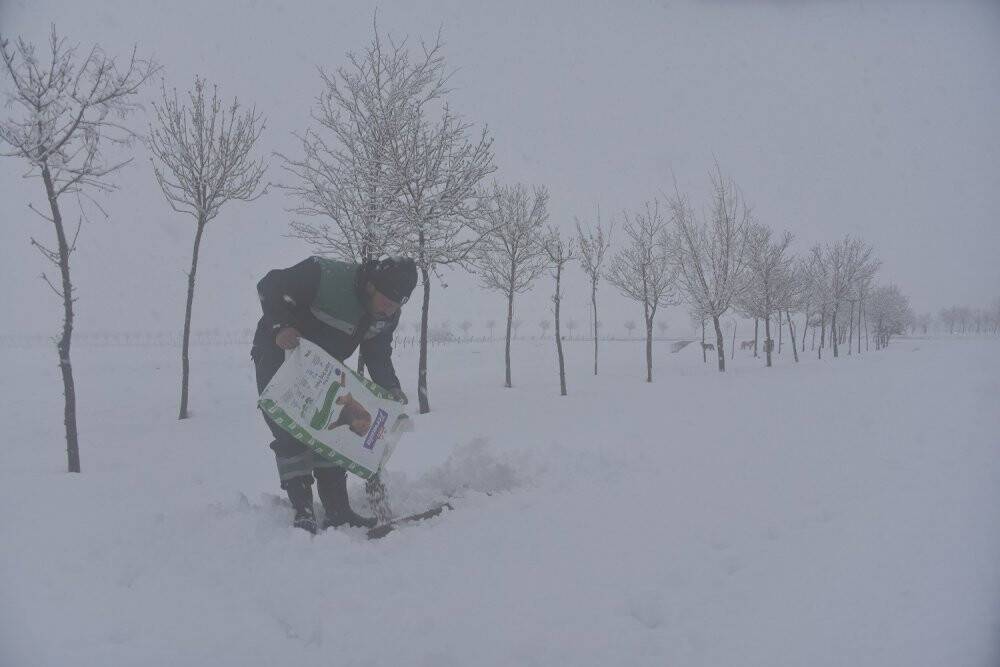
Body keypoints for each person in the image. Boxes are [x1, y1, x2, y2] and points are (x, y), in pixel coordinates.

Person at [251, 255, 417, 533]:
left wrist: (390, 389)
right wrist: (281, 326)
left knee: (333, 428)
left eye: (396, 306)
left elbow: (377, 353)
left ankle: (338, 510)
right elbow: (270, 285)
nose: (389, 311)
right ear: (371, 288)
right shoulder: (325, 276)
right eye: (386, 303)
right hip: (279, 353)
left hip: (323, 367)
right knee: (290, 429)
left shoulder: (386, 315)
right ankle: (303, 510)